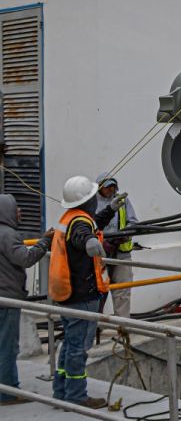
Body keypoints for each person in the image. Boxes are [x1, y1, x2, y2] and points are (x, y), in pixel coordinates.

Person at [51, 175, 118, 409]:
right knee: (79, 348)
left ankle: (61, 391)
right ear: (86, 200)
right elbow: (83, 233)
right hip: (83, 294)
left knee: (69, 344)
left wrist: (110, 210)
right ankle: (76, 395)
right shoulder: (80, 223)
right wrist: (90, 241)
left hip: (67, 293)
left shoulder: (70, 217)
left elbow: (90, 224)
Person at [0, 195, 52, 406]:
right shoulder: (8, 235)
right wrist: (45, 242)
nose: (20, 212)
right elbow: (26, 258)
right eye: (16, 208)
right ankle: (7, 393)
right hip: (7, 298)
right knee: (7, 346)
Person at [95, 175, 136, 318]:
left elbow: (133, 222)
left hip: (121, 254)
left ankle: (123, 327)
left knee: (122, 291)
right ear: (100, 187)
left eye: (113, 186)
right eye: (107, 186)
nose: (111, 189)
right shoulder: (91, 203)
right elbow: (88, 227)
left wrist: (124, 235)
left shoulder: (122, 201)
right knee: (97, 292)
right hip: (99, 256)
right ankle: (95, 325)